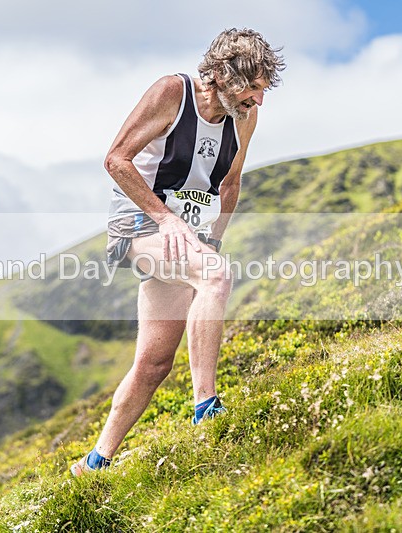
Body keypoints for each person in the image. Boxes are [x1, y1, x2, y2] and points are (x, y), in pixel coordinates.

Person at [71, 28, 285, 476]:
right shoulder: (173, 92)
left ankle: (94, 463)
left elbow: (229, 183)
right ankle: (206, 405)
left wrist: (213, 238)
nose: (258, 101)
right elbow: (116, 159)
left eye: (263, 91)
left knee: (153, 363)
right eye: (252, 88)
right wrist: (167, 219)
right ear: (223, 74)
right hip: (138, 222)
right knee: (215, 276)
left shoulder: (244, 118)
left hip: (183, 231)